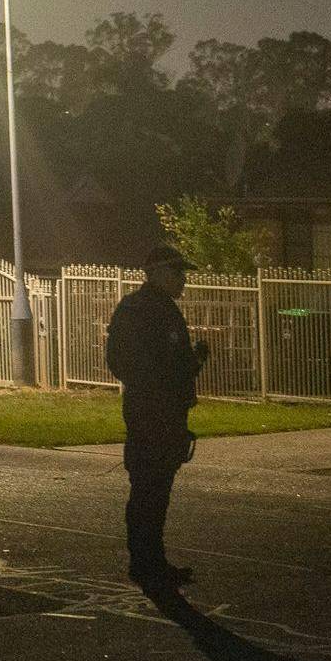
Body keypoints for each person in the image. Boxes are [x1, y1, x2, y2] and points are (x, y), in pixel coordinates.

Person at [105, 245, 209, 588]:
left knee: (156, 489)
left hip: (164, 411)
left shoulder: (157, 309)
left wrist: (191, 362)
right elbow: (129, 362)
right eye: (178, 273)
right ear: (159, 273)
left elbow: (173, 365)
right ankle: (145, 563)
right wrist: (163, 383)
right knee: (149, 489)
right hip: (152, 412)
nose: (183, 280)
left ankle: (152, 560)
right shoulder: (142, 311)